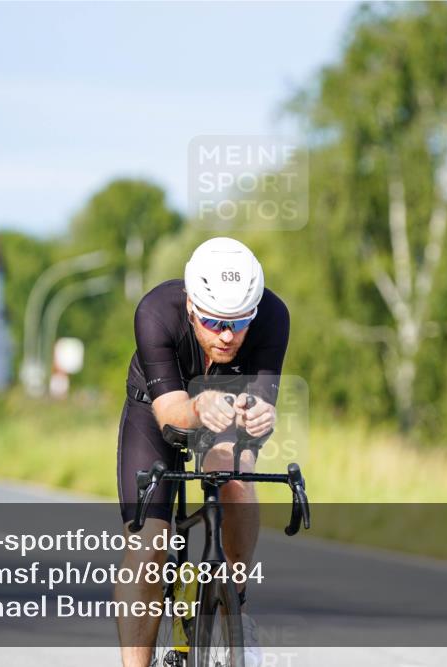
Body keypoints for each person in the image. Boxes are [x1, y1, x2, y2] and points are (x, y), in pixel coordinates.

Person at [115, 237, 290, 667]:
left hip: (228, 408)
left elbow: (264, 398)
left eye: (240, 321)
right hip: (159, 405)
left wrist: (259, 416)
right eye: (214, 323)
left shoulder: (273, 315)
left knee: (233, 474)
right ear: (191, 307)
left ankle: (236, 603)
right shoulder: (155, 311)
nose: (228, 337)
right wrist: (196, 406)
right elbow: (172, 415)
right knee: (148, 547)